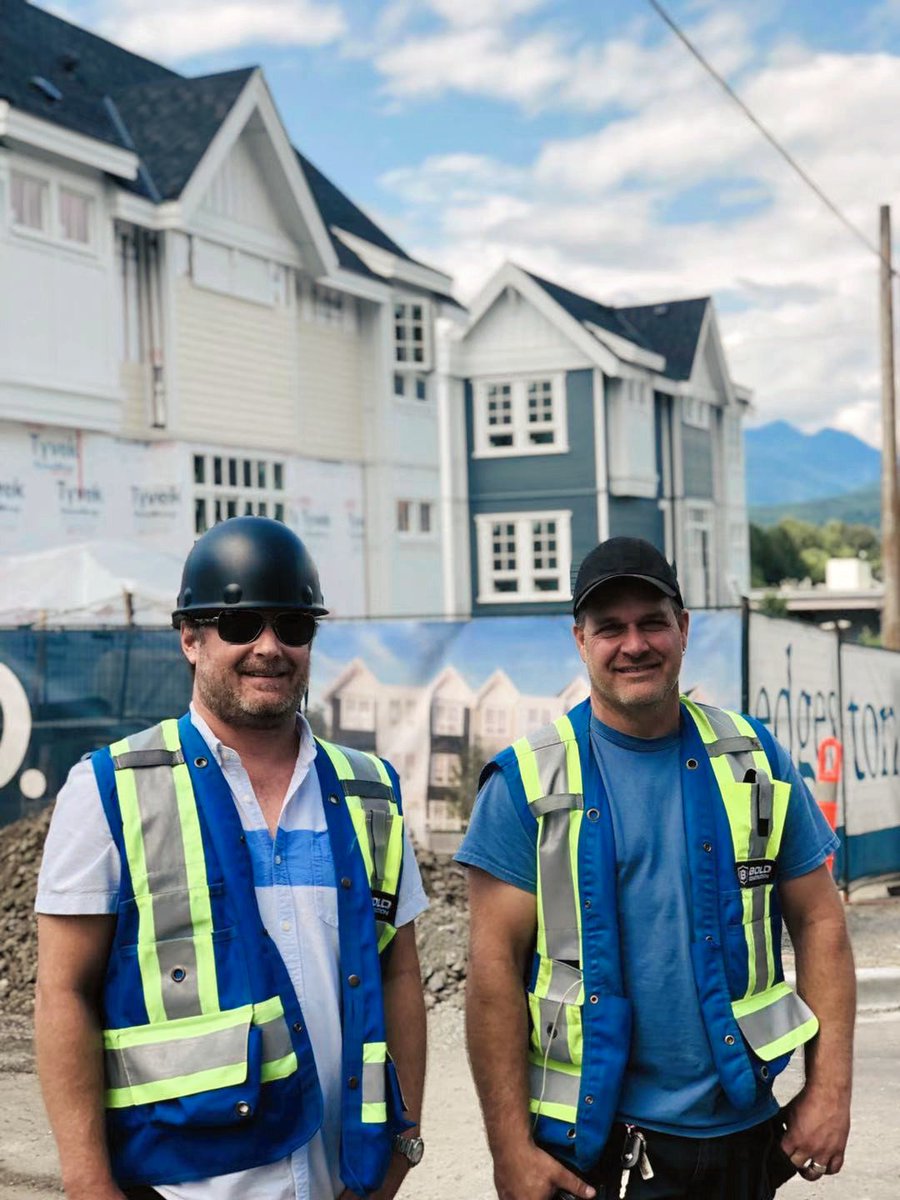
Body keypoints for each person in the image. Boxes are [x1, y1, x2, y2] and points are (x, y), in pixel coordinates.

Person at [34, 516, 428, 1200]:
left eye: (293, 626)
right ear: (190, 636)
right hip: (180, 1184)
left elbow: (399, 972)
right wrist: (88, 1183)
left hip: (348, 1183)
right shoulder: (110, 791)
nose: (270, 648)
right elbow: (62, 992)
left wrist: (401, 1150)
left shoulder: (370, 793)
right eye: (241, 625)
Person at [457, 536, 854, 1200]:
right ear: (581, 641)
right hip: (595, 1149)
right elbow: (491, 973)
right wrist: (510, 1152)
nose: (633, 644)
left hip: (743, 1139)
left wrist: (830, 1090)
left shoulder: (754, 760)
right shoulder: (526, 781)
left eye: (652, 622)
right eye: (610, 628)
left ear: (684, 629)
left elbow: (819, 921)